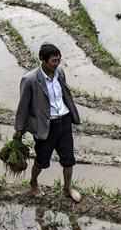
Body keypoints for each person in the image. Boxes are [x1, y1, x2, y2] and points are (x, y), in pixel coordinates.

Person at [14, 43, 83, 202]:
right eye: (53, 60)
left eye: (59, 59)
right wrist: (19, 131)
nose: (57, 63)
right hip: (46, 126)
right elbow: (23, 107)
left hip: (64, 122)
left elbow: (65, 94)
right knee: (42, 160)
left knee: (68, 160)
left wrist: (72, 115)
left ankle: (67, 188)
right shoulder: (30, 80)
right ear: (43, 61)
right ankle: (33, 183)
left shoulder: (60, 72)